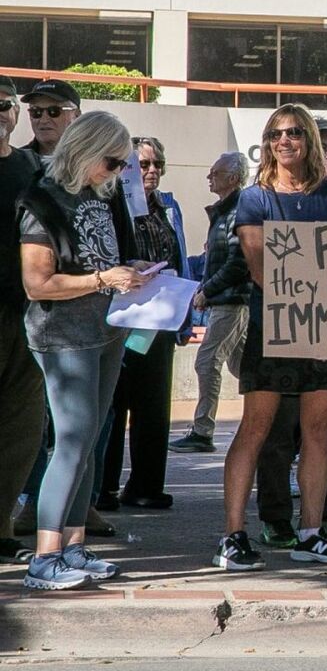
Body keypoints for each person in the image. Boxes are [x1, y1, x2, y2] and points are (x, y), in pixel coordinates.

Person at [17, 110, 153, 590]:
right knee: (72, 439)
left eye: (124, 165)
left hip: (107, 328)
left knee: (88, 438)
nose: (118, 172)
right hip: (63, 335)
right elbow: (37, 284)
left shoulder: (105, 196)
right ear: (87, 151)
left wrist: (132, 269)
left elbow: (108, 260)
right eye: (113, 162)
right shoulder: (42, 200)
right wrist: (102, 278)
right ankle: (44, 556)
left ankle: (72, 546)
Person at [214, 105, 327, 573]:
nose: (285, 140)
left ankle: (310, 532)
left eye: (294, 132)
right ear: (268, 142)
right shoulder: (255, 198)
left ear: (309, 138)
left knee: (318, 432)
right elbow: (258, 266)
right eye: (275, 134)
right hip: (271, 325)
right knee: (255, 429)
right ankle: (233, 534)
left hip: (326, 328)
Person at [98, 135, 187, 512]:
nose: (150, 172)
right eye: (141, 165)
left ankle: (147, 485)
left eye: (156, 165)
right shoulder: (111, 204)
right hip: (121, 317)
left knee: (153, 404)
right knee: (114, 403)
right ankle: (103, 486)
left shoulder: (168, 208)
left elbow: (178, 251)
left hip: (159, 318)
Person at [171, 153, 251, 454]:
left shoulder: (237, 212)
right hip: (229, 299)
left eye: (214, 173)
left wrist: (208, 291)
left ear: (232, 178)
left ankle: (202, 431)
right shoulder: (224, 213)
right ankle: (282, 414)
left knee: (207, 362)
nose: (209, 177)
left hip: (232, 301)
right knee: (243, 367)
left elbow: (237, 262)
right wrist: (207, 290)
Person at [0, 79, 47, 562]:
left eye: (4, 105)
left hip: (27, 313)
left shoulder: (31, 167)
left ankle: (2, 529)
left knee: (22, 428)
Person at [20, 78, 80, 166]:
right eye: (36, 111)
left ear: (76, 115)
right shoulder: (17, 161)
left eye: (54, 111)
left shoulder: (92, 160)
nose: (44, 120)